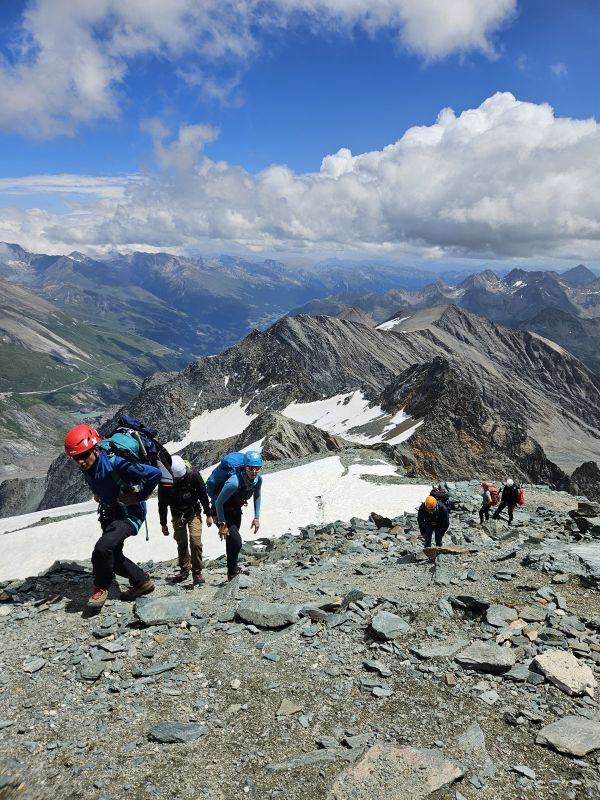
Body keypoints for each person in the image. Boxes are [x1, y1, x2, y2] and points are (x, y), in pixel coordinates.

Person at [64, 424, 162, 609]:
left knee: (102, 549)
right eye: (76, 458)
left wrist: (139, 495)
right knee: (113, 557)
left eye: (84, 455)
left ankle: (101, 587)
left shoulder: (116, 463)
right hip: (111, 512)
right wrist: (99, 494)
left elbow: (154, 474)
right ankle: (142, 582)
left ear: (95, 448)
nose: (81, 461)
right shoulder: (89, 465)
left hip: (130, 514)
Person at [206, 450, 263, 581]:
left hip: (235, 509)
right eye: (251, 468)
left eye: (257, 468)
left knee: (232, 541)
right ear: (245, 466)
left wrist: (256, 517)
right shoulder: (234, 482)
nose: (254, 472)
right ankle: (232, 572)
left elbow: (257, 496)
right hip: (220, 511)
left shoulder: (257, 480)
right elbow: (219, 502)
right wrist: (222, 523)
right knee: (237, 542)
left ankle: (232, 573)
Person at [159, 455, 213, 585]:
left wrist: (208, 514)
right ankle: (184, 569)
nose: (180, 480)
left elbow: (203, 494)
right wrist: (163, 523)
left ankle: (197, 573)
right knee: (181, 542)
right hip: (177, 515)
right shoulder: (165, 481)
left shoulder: (194, 475)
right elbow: (162, 503)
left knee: (195, 542)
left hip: (193, 512)